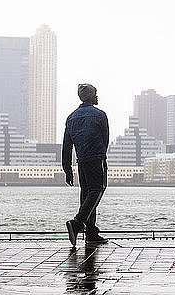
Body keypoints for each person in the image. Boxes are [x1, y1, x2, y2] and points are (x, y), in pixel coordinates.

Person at [62, 84, 109, 246]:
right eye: (95, 94)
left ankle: (91, 232)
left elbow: (66, 146)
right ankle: (77, 223)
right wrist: (101, 156)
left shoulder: (71, 117)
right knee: (97, 189)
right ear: (90, 96)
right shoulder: (100, 115)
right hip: (96, 158)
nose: (97, 97)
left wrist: (67, 169)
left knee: (87, 192)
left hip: (81, 161)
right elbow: (105, 139)